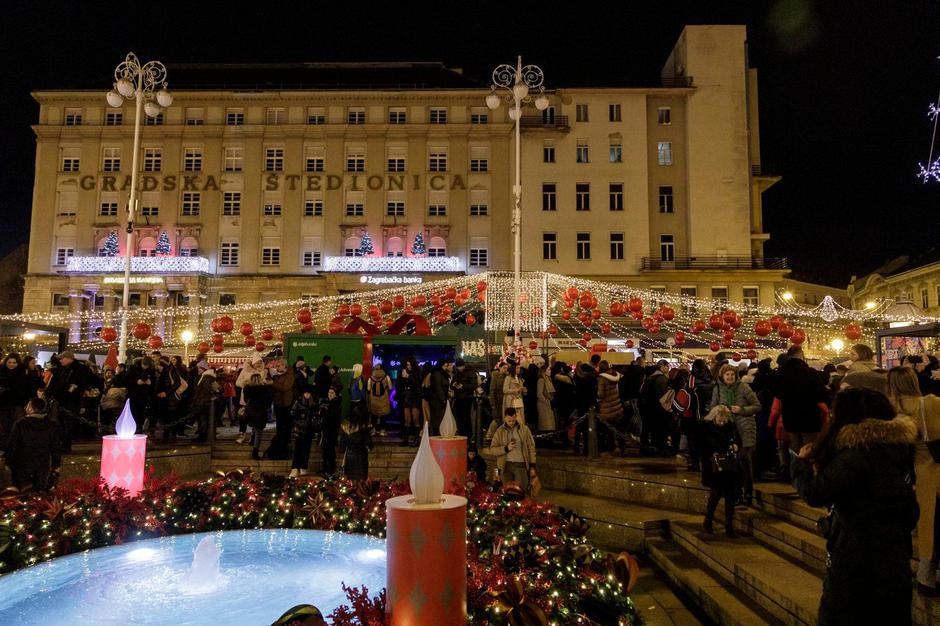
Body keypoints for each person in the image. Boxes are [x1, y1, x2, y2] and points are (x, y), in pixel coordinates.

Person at [792, 387, 918, 625]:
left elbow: (815, 493)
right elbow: (910, 509)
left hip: (855, 558)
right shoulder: (897, 449)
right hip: (894, 555)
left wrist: (800, 464)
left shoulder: (856, 454)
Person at [885, 366, 940, 594]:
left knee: (928, 525)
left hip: (916, 474)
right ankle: (927, 576)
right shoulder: (929, 403)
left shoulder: (892, 411)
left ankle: (925, 575)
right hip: (935, 469)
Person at [709, 364, 761, 505]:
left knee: (745, 461)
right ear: (722, 376)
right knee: (732, 464)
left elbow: (757, 406)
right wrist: (720, 410)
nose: (730, 377)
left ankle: (748, 494)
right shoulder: (718, 389)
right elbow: (713, 407)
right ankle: (735, 494)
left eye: (732, 374)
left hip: (745, 428)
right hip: (727, 430)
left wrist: (742, 409)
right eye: (727, 375)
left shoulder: (743, 387)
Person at [774, 346, 826, 471]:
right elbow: (821, 394)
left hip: (790, 415)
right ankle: (810, 474)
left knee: (795, 446)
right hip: (809, 415)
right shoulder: (810, 372)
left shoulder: (780, 373)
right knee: (810, 447)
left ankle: (796, 474)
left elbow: (778, 394)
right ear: (801, 355)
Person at [699, 405, 741, 537]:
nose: (722, 421)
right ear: (714, 416)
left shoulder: (730, 427)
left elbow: (738, 439)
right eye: (720, 418)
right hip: (714, 468)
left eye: (724, 418)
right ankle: (708, 521)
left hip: (728, 467)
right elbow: (704, 445)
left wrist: (736, 445)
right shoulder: (706, 427)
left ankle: (729, 527)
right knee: (715, 495)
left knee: (730, 496)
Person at [6, 397, 60, 491]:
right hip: (42, 466)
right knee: (39, 495)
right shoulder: (52, 425)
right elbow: (55, 447)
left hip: (22, 465)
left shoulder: (20, 424)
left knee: (22, 495)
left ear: (31, 408)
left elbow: (12, 445)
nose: (25, 407)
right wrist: (56, 465)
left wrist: (8, 462)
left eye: (27, 405)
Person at [45, 350, 95, 452]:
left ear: (69, 358)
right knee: (59, 423)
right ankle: (59, 443)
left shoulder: (80, 369)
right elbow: (54, 384)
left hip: (72, 400)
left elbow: (84, 382)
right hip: (59, 400)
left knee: (68, 423)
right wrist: (50, 395)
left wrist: (73, 390)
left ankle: (65, 445)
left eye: (62, 358)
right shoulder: (60, 370)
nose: (61, 360)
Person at [487, 407, 537, 491]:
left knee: (520, 490)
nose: (511, 423)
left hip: (520, 464)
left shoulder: (524, 429)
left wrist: (532, 465)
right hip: (505, 465)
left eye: (513, 420)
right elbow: (492, 450)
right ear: (505, 418)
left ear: (516, 417)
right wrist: (506, 448)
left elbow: (531, 448)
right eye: (509, 421)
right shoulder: (500, 431)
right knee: (508, 490)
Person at [639, 360, 671, 455]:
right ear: (662, 366)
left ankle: (645, 447)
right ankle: (658, 447)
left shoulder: (650, 377)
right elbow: (664, 395)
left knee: (646, 428)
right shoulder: (661, 378)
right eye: (667, 366)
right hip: (657, 407)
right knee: (658, 429)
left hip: (647, 407)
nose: (668, 369)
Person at [267, 361, 296, 459]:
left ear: (285, 366)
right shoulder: (277, 376)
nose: (277, 368)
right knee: (280, 428)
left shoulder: (290, 375)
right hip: (278, 404)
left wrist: (273, 384)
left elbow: (285, 387)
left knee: (285, 428)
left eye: (279, 366)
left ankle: (284, 450)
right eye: (277, 366)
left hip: (286, 404)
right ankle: (280, 450)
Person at [235, 355, 267, 444]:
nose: (259, 364)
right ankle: (242, 434)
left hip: (257, 399)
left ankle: (253, 436)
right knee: (243, 417)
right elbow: (238, 382)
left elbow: (264, 382)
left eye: (260, 362)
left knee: (255, 418)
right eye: (257, 362)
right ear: (253, 363)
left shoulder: (263, 371)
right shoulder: (245, 371)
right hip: (246, 397)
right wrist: (246, 384)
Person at [0, 353, 28, 451]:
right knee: (3, 428)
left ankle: (14, 448)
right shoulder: (2, 372)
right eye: (9, 362)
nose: (11, 364)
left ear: (17, 363)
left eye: (14, 363)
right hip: (3, 404)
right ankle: (4, 447)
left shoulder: (22, 373)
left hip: (17, 404)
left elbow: (24, 390)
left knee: (16, 427)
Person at [289, 386, 318, 477]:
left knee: (306, 450)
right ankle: (294, 468)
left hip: (309, 430)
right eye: (305, 393)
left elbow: (315, 416)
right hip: (299, 429)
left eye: (308, 393)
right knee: (297, 450)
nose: (307, 395)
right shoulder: (298, 401)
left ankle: (303, 468)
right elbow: (292, 413)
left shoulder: (313, 404)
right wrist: (299, 417)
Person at [243, 373, 273, 461]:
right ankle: (255, 450)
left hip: (250, 410)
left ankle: (252, 438)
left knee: (254, 426)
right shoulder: (265, 389)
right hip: (261, 411)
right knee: (259, 431)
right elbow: (269, 402)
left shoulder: (248, 389)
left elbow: (245, 399)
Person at [339, 404, 373, 481]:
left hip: (350, 456)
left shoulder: (346, 426)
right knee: (361, 481)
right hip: (361, 457)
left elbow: (342, 445)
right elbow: (369, 445)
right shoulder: (363, 427)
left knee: (350, 480)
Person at [187, 362, 219, 443]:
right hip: (203, 401)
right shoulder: (205, 377)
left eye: (199, 368)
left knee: (203, 419)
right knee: (202, 420)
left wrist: (199, 399)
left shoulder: (207, 377)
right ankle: (204, 435)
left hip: (204, 402)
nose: (198, 370)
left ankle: (203, 436)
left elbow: (206, 390)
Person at [572, 361, 598, 454]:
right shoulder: (590, 380)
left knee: (580, 427)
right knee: (587, 427)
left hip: (580, 405)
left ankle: (577, 447)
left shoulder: (578, 379)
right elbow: (593, 394)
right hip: (588, 406)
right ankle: (587, 448)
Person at [597, 361, 623, 451]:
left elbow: (601, 394)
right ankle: (622, 447)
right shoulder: (616, 375)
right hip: (617, 405)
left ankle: (611, 448)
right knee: (619, 429)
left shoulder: (602, 378)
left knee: (609, 430)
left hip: (607, 407)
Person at [397, 358, 422, 447]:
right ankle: (406, 440)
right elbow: (400, 385)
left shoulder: (417, 372)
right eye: (407, 365)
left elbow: (418, 383)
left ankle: (416, 440)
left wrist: (408, 377)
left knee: (415, 418)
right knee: (407, 419)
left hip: (415, 396)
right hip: (406, 396)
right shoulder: (403, 372)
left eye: (410, 364)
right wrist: (402, 377)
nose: (409, 366)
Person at [451, 358, 479, 436]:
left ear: (463, 365)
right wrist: (454, 385)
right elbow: (452, 384)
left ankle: (468, 435)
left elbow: (474, 385)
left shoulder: (471, 372)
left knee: (466, 418)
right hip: (458, 398)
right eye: (457, 367)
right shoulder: (457, 373)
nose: (459, 368)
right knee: (459, 418)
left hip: (467, 398)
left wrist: (463, 386)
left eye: (460, 366)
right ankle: (461, 433)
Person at [319, 387, 342, 475]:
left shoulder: (335, 403)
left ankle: (330, 469)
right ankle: (325, 468)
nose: (330, 394)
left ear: (335, 394)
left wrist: (324, 413)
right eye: (329, 392)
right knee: (325, 450)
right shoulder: (328, 403)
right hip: (326, 430)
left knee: (330, 451)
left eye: (332, 393)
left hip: (331, 431)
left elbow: (331, 416)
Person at [427, 359, 454, 434]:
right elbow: (438, 387)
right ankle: (436, 434)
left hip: (440, 398)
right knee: (437, 418)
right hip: (437, 400)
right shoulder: (437, 373)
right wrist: (442, 399)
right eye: (444, 366)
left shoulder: (443, 374)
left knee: (440, 418)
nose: (445, 368)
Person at [367, 363, 392, 434]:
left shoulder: (370, 378)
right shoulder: (386, 377)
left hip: (374, 401)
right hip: (384, 400)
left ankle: (374, 429)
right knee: (383, 416)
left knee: (374, 416)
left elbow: (368, 389)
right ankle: (382, 430)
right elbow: (390, 387)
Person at [535, 362, 556, 436]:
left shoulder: (548, 379)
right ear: (544, 371)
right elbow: (539, 394)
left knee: (549, 423)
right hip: (544, 404)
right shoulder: (541, 380)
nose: (550, 371)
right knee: (545, 423)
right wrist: (547, 401)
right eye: (548, 369)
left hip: (549, 403)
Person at [488, 361, 508, 428]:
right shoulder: (495, 376)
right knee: (497, 419)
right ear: (500, 368)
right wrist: (492, 403)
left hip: (504, 400)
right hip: (497, 401)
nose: (505, 370)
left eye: (506, 368)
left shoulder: (507, 377)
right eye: (504, 368)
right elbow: (492, 390)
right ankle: (491, 435)